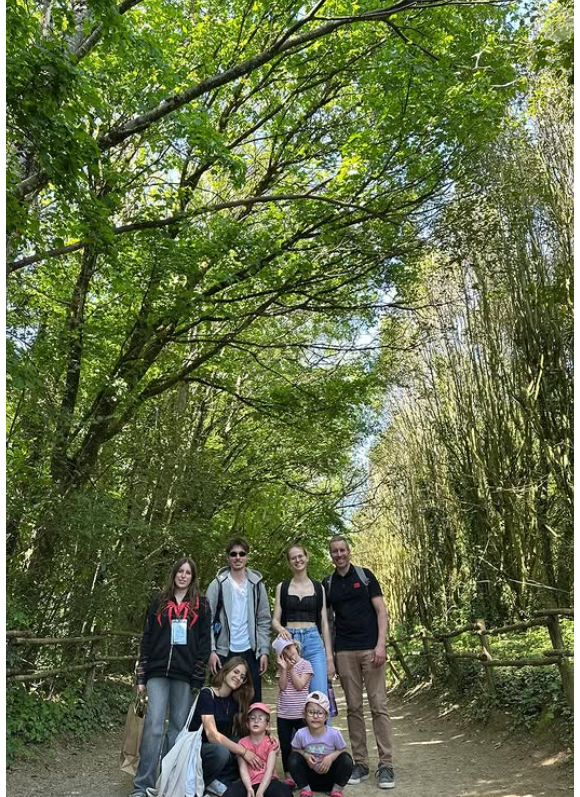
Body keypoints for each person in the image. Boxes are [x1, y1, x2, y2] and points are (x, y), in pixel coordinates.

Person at [131, 557, 211, 797]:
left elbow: (204, 643)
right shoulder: (159, 601)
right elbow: (147, 638)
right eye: (180, 571)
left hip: (184, 674)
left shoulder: (201, 605)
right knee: (153, 727)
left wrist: (198, 677)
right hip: (157, 671)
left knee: (177, 729)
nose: (183, 576)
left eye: (188, 572)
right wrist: (141, 677)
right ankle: (142, 785)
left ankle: (166, 783)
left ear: (193, 577)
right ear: (174, 574)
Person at [323, 536, 395, 790]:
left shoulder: (365, 577)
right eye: (334, 551)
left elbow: (381, 610)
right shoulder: (328, 584)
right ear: (331, 555)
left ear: (349, 551)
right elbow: (326, 622)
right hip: (344, 652)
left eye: (342, 550)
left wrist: (381, 644)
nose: (339, 554)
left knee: (378, 706)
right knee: (353, 708)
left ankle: (386, 765)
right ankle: (361, 763)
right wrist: (330, 656)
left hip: (370, 650)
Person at [207, 537, 271, 702]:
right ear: (228, 557)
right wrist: (211, 651)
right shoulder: (217, 584)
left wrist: (264, 650)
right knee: (221, 702)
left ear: (247, 557)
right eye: (233, 554)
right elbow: (207, 620)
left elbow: (264, 620)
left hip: (251, 651)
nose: (238, 557)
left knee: (252, 703)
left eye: (242, 554)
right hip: (223, 652)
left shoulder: (257, 585)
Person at [188, 656, 263, 794]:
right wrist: (244, 751)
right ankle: (198, 785)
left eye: (242, 677)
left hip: (218, 751)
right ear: (226, 671)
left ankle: (219, 783)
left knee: (241, 742)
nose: (238, 678)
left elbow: (247, 731)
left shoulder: (234, 701)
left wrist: (268, 739)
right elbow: (212, 735)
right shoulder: (207, 694)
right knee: (222, 752)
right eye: (236, 672)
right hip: (196, 752)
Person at [272, 544, 335, 701]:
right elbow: (275, 620)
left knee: (319, 697)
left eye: (300, 556)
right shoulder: (282, 587)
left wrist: (329, 657)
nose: (297, 560)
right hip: (290, 643)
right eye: (293, 558)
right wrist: (280, 629)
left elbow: (324, 624)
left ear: (307, 558)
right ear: (289, 563)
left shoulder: (318, 587)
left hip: (314, 642)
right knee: (293, 696)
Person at [288, 691, 353, 797]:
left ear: (326, 716)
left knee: (346, 759)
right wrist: (305, 755)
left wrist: (330, 758)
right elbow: (295, 749)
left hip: (329, 777)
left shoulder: (334, 734)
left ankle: (336, 790)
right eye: (311, 712)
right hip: (309, 778)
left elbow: (342, 749)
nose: (315, 716)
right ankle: (306, 790)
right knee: (293, 758)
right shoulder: (301, 733)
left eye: (320, 713)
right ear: (305, 714)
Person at [223, 702, 293, 797]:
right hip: (247, 782)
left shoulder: (271, 743)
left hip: (268, 781)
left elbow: (269, 770)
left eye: (260, 718)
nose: (256, 721)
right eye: (252, 718)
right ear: (247, 724)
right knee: (229, 794)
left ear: (268, 725)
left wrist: (260, 791)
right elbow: (243, 769)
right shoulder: (242, 743)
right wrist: (249, 788)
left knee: (286, 794)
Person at [272, 635, 313, 785]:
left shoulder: (306, 664)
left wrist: (292, 670)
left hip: (301, 714)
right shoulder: (282, 667)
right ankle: (288, 775)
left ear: (296, 646)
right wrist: (284, 669)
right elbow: (282, 686)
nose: (289, 653)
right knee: (285, 745)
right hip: (283, 714)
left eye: (289, 648)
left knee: (304, 744)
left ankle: (305, 772)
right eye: (284, 651)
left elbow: (300, 685)